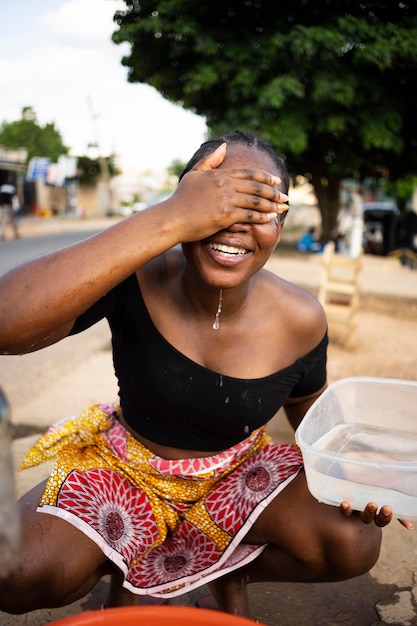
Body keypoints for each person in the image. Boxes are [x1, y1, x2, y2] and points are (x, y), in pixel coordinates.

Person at [0, 131, 411, 620]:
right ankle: (123, 563)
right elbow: (8, 322)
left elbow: (311, 411)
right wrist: (170, 217)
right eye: (215, 203)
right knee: (15, 572)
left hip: (236, 477)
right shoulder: (137, 276)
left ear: (279, 226)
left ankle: (227, 568)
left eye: (257, 209)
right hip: (124, 469)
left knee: (354, 542)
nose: (232, 224)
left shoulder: (301, 318)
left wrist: (353, 472)